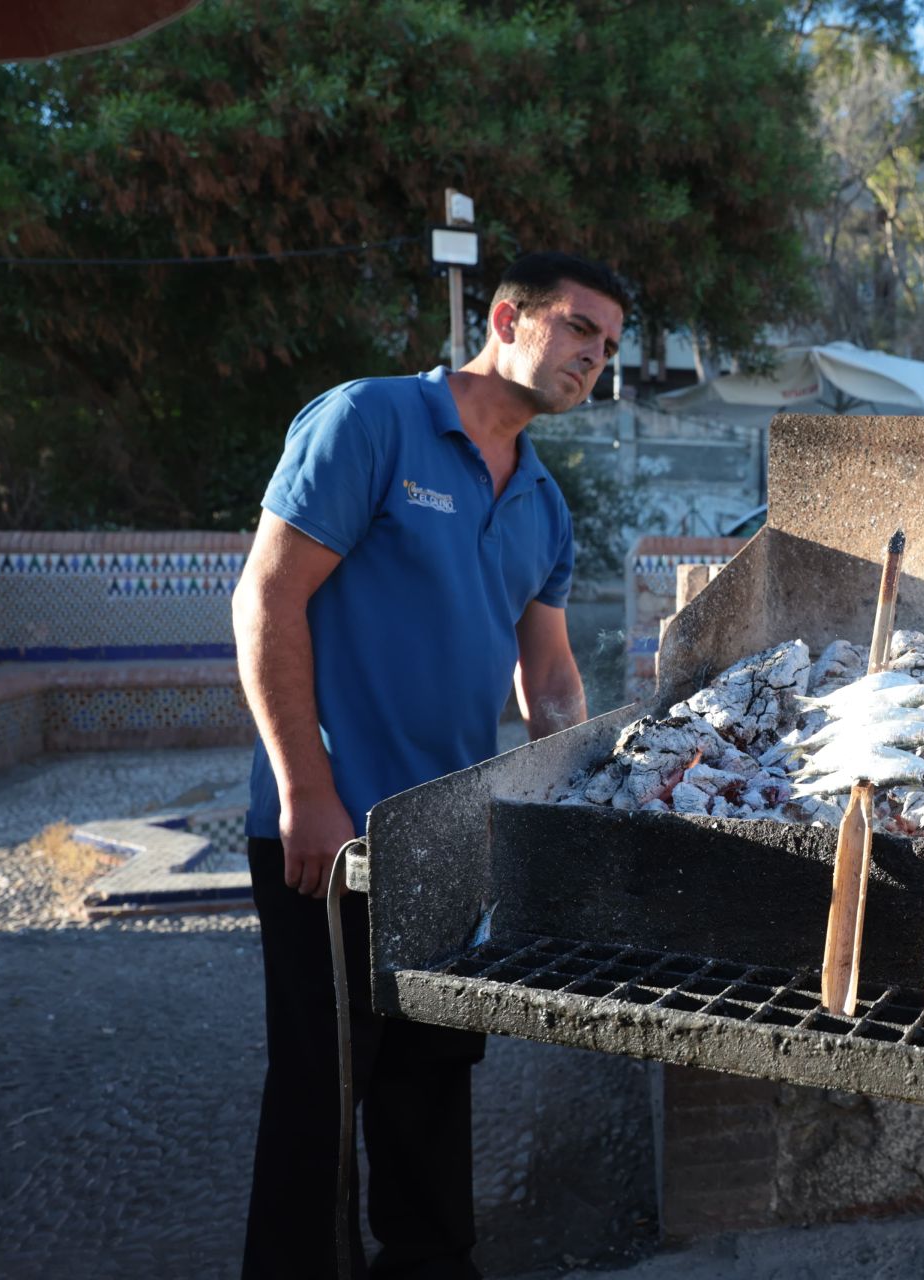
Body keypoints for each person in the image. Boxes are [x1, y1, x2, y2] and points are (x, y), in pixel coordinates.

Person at [232, 251, 629, 1278]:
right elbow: (265, 600)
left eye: (610, 345)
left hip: (448, 833)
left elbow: (547, 679)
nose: (595, 355)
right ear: (507, 315)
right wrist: (305, 791)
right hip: (331, 830)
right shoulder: (372, 422)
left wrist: (578, 799)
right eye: (579, 328)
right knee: (323, 1086)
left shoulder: (543, 501)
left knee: (432, 1074)